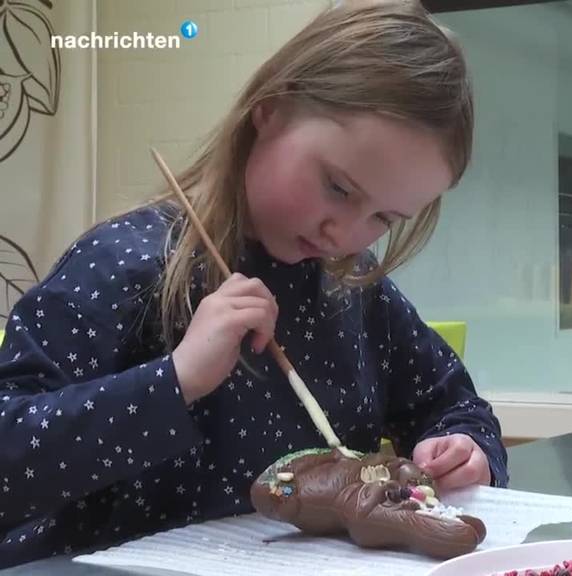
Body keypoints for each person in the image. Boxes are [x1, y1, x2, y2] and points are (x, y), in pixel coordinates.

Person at [0, 1, 506, 567]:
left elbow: (453, 402)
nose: (345, 233)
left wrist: (468, 449)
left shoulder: (356, 291)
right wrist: (176, 381)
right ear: (271, 109)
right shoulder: (126, 264)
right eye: (338, 188)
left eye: (383, 219)